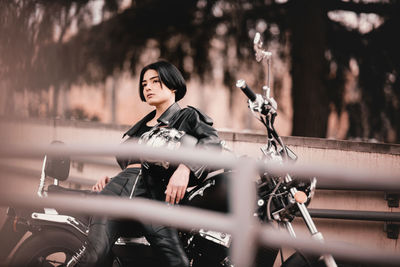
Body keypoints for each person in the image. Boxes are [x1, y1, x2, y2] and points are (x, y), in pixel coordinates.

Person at [67, 60, 222, 267]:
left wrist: (186, 168)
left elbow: (212, 142)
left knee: (178, 262)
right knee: (95, 256)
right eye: (144, 84)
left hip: (155, 197)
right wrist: (111, 180)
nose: (147, 87)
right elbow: (133, 169)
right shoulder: (139, 127)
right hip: (120, 189)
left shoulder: (187, 116)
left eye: (155, 81)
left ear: (173, 85)